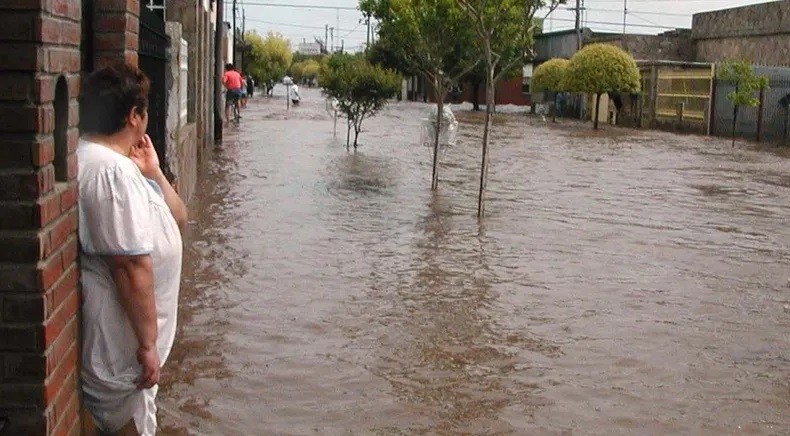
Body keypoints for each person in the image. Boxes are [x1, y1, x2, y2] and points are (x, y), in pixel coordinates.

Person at [77, 63, 187, 436]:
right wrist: (147, 344)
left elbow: (180, 219)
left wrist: (154, 172)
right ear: (134, 116)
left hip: (129, 353)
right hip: (122, 353)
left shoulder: (125, 167)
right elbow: (129, 265)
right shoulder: (111, 172)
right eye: (145, 112)